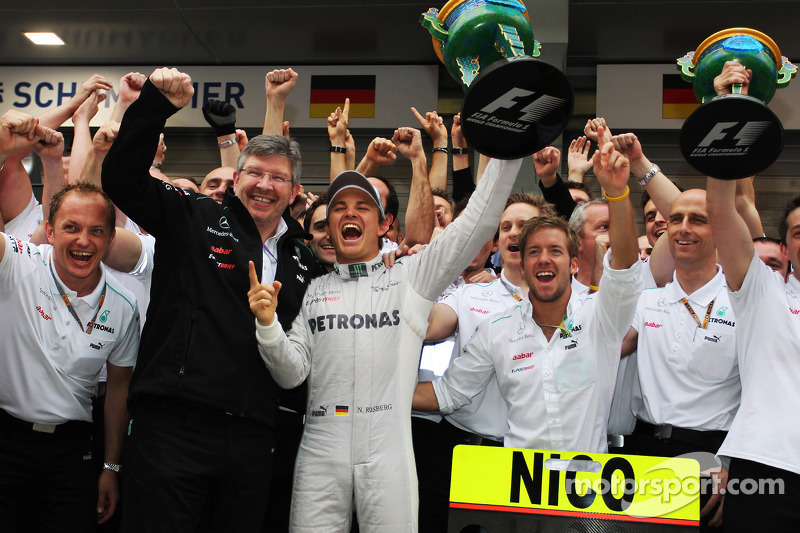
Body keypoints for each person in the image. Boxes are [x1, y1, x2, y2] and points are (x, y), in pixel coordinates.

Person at [250, 138, 522, 532]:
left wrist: (512, 147)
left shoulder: (412, 276)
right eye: (339, 207)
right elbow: (291, 375)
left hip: (388, 448)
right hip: (321, 447)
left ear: (383, 225)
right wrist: (267, 325)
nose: (349, 214)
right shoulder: (316, 292)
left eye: (362, 207)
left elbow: (477, 221)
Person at [100, 67, 317, 532]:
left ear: (295, 191)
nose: (264, 184)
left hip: (255, 436)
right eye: (254, 172)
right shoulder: (194, 214)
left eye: (277, 178)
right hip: (173, 425)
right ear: (237, 178)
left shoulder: (302, 255)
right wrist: (156, 106)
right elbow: (120, 178)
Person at [413, 135, 641, 454]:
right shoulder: (496, 329)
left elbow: (626, 269)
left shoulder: (600, 315)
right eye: (533, 251)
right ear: (522, 259)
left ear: (574, 263)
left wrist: (617, 194)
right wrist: (378, 393)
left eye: (555, 251)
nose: (544, 259)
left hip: (586, 484)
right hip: (516, 487)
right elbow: (448, 394)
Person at [0, 172, 139, 530]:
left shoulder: (124, 306)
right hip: (5, 439)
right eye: (71, 227)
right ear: (49, 231)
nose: (84, 241)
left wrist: (111, 467)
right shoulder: (18, 262)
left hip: (72, 451)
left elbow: (118, 390)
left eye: (96, 231)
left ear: (110, 239)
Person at [705, 60, 800, 532]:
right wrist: (730, 109)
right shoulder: (766, 291)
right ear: (784, 247)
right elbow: (723, 207)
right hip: (769, 469)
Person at [621, 189, 740, 530]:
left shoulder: (742, 302)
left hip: (709, 459)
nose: (682, 228)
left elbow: (763, 392)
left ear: (719, 230)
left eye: (697, 220)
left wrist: (732, 461)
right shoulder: (647, 302)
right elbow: (598, 351)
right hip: (641, 451)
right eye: (676, 219)